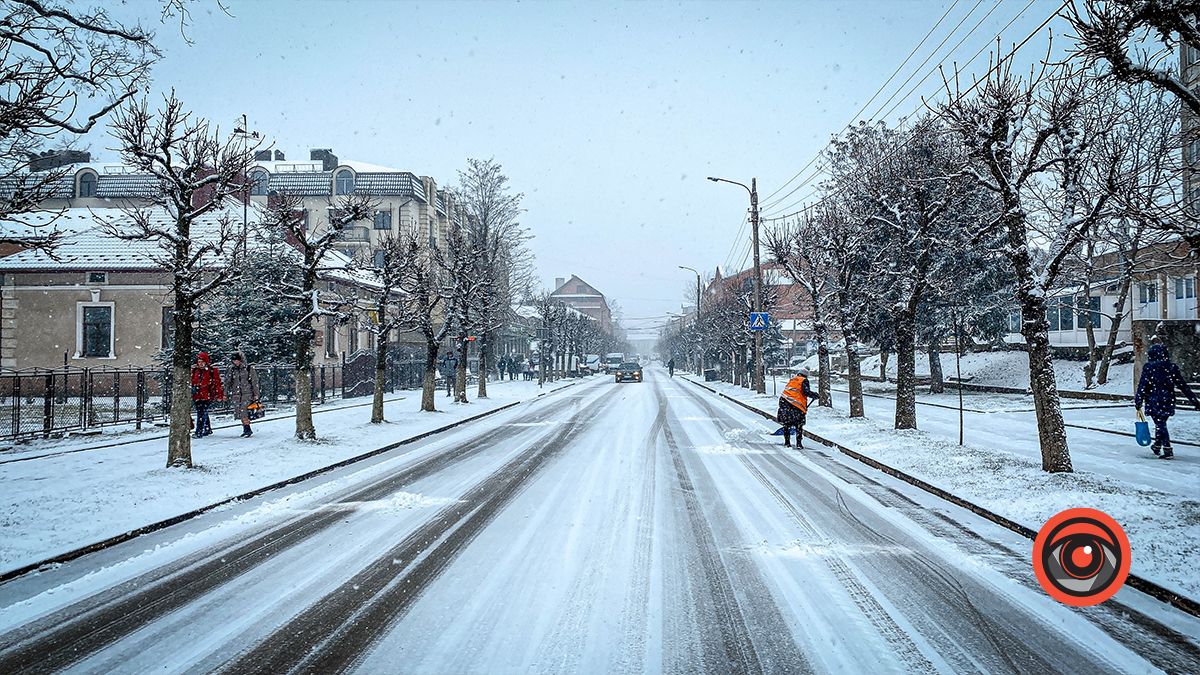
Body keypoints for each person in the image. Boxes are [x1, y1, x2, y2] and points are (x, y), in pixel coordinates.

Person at [1135, 343, 1199, 459]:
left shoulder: (1149, 368)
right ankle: (1157, 445)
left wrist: (1138, 399)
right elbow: (1182, 385)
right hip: (1168, 399)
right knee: (1161, 423)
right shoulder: (1171, 367)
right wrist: (1194, 401)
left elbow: (1143, 385)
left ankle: (1167, 449)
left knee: (1160, 424)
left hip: (1153, 399)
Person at [777, 369, 814, 448]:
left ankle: (787, 442)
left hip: (785, 402)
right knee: (799, 425)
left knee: (787, 424)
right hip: (796, 406)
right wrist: (815, 395)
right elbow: (806, 392)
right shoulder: (804, 380)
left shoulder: (793, 379)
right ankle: (799, 443)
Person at [226, 351, 260, 438]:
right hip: (237, 394)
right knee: (240, 413)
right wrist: (225, 393)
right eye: (234, 360)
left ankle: (247, 429)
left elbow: (254, 382)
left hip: (247, 394)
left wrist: (256, 394)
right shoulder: (232, 369)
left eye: (237, 360)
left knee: (244, 412)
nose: (235, 362)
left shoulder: (248, 368)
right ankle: (246, 428)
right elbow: (228, 382)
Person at [190, 351, 224, 438]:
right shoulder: (195, 370)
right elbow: (192, 381)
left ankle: (199, 431)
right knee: (202, 411)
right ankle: (207, 428)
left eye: (202, 362)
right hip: (197, 395)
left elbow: (217, 383)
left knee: (201, 412)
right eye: (199, 361)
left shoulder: (211, 371)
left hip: (207, 395)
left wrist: (219, 395)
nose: (200, 363)